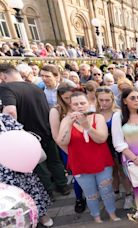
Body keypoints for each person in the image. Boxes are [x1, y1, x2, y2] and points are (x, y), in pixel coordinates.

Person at [0, 63, 70, 200]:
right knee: (54, 161)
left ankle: (48, 192)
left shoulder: (5, 88)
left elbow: (10, 111)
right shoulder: (36, 87)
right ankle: (63, 186)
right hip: (46, 129)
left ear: (3, 75)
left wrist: (9, 130)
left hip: (28, 135)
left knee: (39, 165)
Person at [57, 92, 119, 223]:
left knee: (107, 190)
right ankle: (96, 216)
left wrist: (87, 126)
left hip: (101, 161)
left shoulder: (98, 117)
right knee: (90, 194)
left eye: (82, 103)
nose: (80, 106)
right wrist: (69, 124)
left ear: (88, 103)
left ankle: (112, 213)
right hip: (80, 163)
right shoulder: (66, 120)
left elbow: (102, 138)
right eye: (76, 104)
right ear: (71, 105)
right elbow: (62, 141)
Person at [0, 113, 53, 227]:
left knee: (30, 190)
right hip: (2, 173)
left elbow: (21, 136)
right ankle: (13, 222)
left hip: (19, 164)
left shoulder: (4, 118)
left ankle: (41, 215)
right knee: (7, 199)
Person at [49, 84, 86, 213]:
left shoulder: (81, 105)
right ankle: (79, 198)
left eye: (72, 97)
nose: (71, 101)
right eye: (66, 98)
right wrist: (69, 153)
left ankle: (92, 195)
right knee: (78, 175)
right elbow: (56, 136)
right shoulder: (57, 111)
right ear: (60, 97)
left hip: (85, 146)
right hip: (68, 148)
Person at [95, 86, 134, 210]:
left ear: (113, 100)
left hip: (118, 145)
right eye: (101, 100)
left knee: (123, 171)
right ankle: (116, 192)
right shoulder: (95, 114)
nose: (104, 103)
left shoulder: (118, 113)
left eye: (107, 100)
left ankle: (128, 195)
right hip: (103, 146)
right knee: (111, 172)